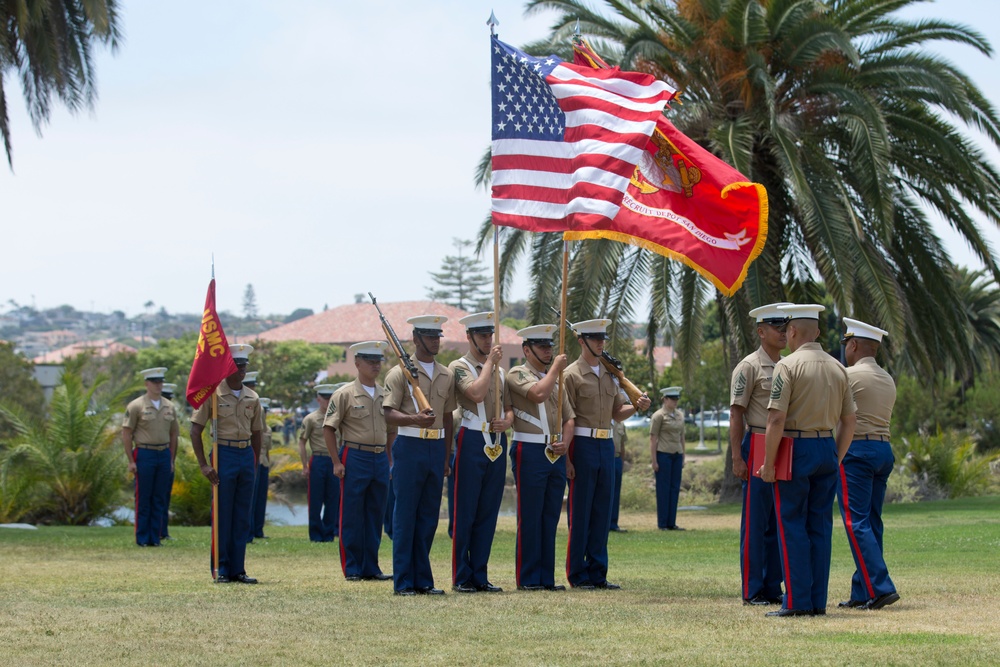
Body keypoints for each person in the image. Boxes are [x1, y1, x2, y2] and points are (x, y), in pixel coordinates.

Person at [759, 304, 856, 616]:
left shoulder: (787, 367)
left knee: (791, 524)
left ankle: (797, 601)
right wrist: (836, 456)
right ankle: (817, 602)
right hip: (826, 447)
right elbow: (850, 420)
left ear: (793, 331)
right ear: (817, 332)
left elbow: (775, 420)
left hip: (795, 449)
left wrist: (769, 463)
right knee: (820, 526)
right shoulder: (838, 367)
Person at [563, 318, 650, 590]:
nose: (601, 342)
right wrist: (566, 457)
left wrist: (637, 405)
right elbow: (565, 419)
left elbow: (617, 413)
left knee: (602, 511)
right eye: (595, 338)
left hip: (606, 445)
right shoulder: (570, 375)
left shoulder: (610, 374)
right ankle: (578, 574)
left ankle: (598, 572)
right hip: (582, 444)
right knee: (581, 512)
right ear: (582, 341)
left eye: (603, 338)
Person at [383, 315, 456, 596]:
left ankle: (423, 579)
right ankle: (403, 581)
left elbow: (448, 417)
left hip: (436, 448)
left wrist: (447, 454)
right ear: (415, 339)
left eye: (438, 336)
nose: (435, 341)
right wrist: (414, 419)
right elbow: (388, 413)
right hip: (410, 446)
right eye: (429, 336)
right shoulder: (398, 373)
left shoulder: (446, 374)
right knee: (405, 516)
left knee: (428, 517)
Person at [504, 324, 573, 591]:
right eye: (542, 347)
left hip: (554, 451)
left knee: (550, 516)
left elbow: (569, 418)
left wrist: (565, 443)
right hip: (529, 450)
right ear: (527, 349)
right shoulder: (517, 373)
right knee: (530, 515)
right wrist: (555, 368)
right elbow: (538, 394)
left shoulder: (557, 378)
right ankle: (529, 577)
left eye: (550, 347)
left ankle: (546, 576)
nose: (548, 351)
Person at [837, 318, 900, 611]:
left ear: (852, 345)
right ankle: (862, 590)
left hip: (857, 450)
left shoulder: (848, 376)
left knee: (855, 520)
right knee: (871, 522)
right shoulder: (887, 378)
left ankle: (879, 587)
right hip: (883, 448)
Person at [729, 303, 789, 606]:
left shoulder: (788, 364)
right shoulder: (749, 366)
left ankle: (772, 584)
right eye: (776, 327)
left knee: (777, 520)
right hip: (756, 443)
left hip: (782, 444)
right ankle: (753, 589)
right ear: (761, 331)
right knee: (755, 522)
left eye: (785, 326)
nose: (783, 332)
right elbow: (736, 413)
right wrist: (737, 458)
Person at [449, 312, 512, 593]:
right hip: (472, 437)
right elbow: (474, 393)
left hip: (497, 438)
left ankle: (480, 574)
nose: (488, 341)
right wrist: (489, 363)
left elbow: (509, 407)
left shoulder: (499, 371)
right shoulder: (459, 366)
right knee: (466, 510)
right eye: (483, 336)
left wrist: (508, 420)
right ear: (470, 337)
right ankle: (462, 575)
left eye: (490, 335)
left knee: (488, 511)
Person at [190, 344, 263, 584]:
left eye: (244, 366)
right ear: (226, 368)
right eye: (237, 366)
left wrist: (254, 459)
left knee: (242, 515)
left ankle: (238, 569)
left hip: (245, 454)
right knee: (223, 514)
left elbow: (257, 432)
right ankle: (221, 568)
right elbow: (195, 430)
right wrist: (203, 464)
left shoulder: (253, 397)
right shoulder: (213, 395)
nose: (241, 371)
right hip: (223, 454)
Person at [324, 341, 392, 582]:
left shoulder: (386, 394)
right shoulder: (344, 394)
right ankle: (352, 567)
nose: (375, 365)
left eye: (378, 361)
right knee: (352, 514)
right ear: (357, 363)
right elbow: (329, 428)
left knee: (375, 514)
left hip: (379, 457)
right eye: (370, 360)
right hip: (355, 455)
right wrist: (335, 461)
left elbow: (391, 430)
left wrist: (389, 459)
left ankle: (371, 566)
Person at [122, 367, 178, 547]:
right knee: (144, 497)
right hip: (144, 452)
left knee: (159, 497)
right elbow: (126, 433)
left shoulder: (169, 406)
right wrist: (131, 460)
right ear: (147, 384)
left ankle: (156, 537)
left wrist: (171, 459)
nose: (158, 385)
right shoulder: (136, 406)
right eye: (154, 382)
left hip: (163, 453)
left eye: (160, 382)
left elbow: (173, 435)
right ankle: (142, 538)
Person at [300, 384, 343, 543]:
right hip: (318, 459)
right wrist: (304, 465)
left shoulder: (338, 418)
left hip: (334, 460)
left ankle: (329, 533)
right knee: (315, 499)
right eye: (325, 398)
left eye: (330, 398)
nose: (328, 401)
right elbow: (302, 442)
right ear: (319, 399)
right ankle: (316, 534)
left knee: (333, 498)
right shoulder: (311, 418)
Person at [650, 387, 685, 531]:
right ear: (665, 399)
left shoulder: (680, 415)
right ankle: (663, 523)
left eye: (676, 399)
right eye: (672, 399)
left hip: (677, 454)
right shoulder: (658, 416)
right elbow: (653, 438)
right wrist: (654, 460)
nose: (675, 401)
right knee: (663, 490)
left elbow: (682, 436)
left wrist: (683, 456)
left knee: (674, 488)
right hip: (663, 454)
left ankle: (672, 522)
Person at [248, 397, 272, 542]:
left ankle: (258, 529)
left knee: (261, 499)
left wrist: (267, 463)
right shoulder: (252, 428)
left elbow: (267, 449)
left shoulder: (268, 429)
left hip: (263, 464)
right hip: (254, 462)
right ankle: (249, 530)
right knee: (251, 498)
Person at [158, 382, 179, 542]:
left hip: (166, 458)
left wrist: (171, 460)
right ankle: (152, 531)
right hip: (152, 456)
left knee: (164, 497)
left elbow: (174, 437)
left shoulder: (170, 410)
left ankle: (163, 530)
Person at [609, 417, 627, 532]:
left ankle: (613, 523)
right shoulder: (603, 421)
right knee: (604, 492)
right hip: (606, 458)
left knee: (616, 492)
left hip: (617, 458)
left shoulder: (621, 423)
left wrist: (622, 460)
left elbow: (622, 444)